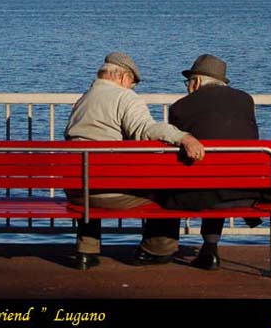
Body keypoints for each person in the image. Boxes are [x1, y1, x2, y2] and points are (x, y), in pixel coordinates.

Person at [64, 51, 205, 270]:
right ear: (121, 77)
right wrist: (182, 137)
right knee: (168, 195)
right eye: (132, 82)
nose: (132, 87)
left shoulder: (83, 100)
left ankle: (86, 250)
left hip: (78, 193)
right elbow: (145, 129)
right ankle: (155, 250)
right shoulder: (124, 97)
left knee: (90, 174)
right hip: (109, 194)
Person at [132, 53, 265, 271]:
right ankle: (210, 249)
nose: (187, 87)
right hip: (246, 190)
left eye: (188, 82)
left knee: (170, 186)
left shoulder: (180, 107)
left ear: (197, 81)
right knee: (219, 178)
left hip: (199, 192)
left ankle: (154, 250)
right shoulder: (245, 100)